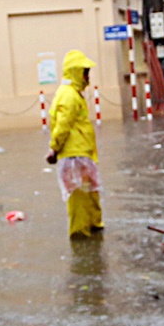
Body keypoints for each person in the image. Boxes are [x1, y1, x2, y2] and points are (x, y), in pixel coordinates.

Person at [46, 49, 102, 239]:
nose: (88, 77)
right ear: (75, 72)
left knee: (90, 192)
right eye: (85, 72)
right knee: (79, 196)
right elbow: (62, 126)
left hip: (81, 153)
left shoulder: (73, 94)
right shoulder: (68, 95)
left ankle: (94, 225)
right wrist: (54, 148)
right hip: (73, 155)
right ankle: (79, 233)